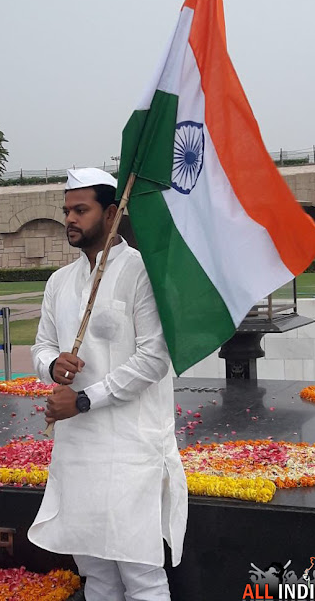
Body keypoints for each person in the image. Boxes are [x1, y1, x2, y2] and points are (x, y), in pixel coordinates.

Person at [28, 167, 188, 601]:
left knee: (142, 578)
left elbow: (154, 359)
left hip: (131, 451)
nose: (71, 220)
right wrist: (52, 365)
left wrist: (83, 400)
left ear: (112, 212)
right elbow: (40, 347)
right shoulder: (59, 282)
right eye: (67, 211)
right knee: (96, 576)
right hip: (78, 452)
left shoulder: (142, 272)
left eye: (81, 209)